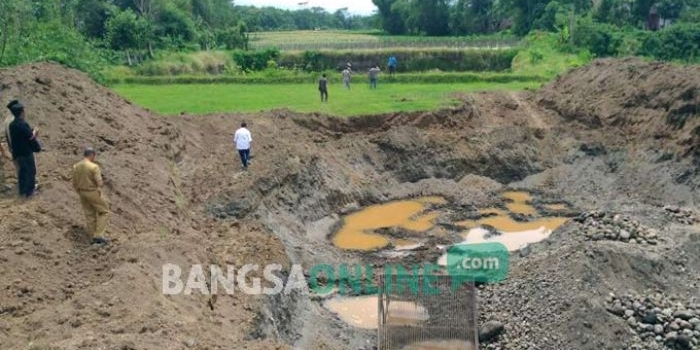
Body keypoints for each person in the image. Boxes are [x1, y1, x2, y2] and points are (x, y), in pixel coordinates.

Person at [72, 148, 110, 244]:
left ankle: (92, 237)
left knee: (89, 214)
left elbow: (74, 182)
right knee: (104, 211)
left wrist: (78, 190)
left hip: (81, 192)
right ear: (92, 155)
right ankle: (99, 235)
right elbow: (99, 183)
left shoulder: (76, 166)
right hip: (91, 191)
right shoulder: (94, 167)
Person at [7, 100, 40, 198]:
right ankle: (30, 192)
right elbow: (30, 137)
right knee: (31, 171)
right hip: (26, 152)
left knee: (22, 172)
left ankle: (22, 191)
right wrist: (35, 132)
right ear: (21, 112)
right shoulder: (22, 124)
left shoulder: (11, 125)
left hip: (17, 152)